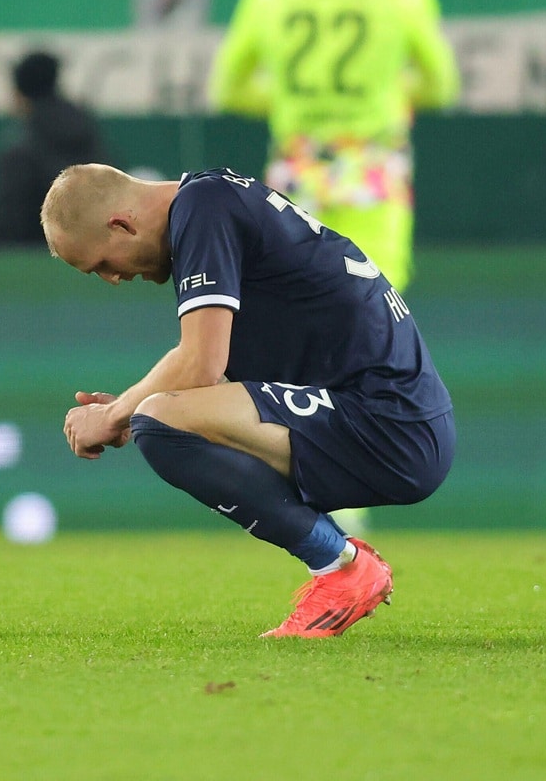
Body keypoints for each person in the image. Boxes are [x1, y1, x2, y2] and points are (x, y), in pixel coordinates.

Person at [41, 163, 455, 639]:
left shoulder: (201, 209)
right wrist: (149, 411)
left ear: (121, 224)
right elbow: (208, 381)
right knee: (161, 419)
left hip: (387, 422)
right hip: (393, 416)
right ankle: (342, 565)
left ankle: (342, 567)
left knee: (158, 419)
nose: (112, 279)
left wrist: (117, 414)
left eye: (102, 265)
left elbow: (200, 363)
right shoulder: (211, 197)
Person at [208, 0, 460, 532]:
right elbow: (442, 84)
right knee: (377, 330)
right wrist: (388, 90)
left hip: (301, 171)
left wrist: (288, 100)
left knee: (294, 330)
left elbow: (228, 87)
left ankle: (294, 485)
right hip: (370, 170)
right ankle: (358, 491)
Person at [0, 51, 108, 247]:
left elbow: (10, 223)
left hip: (34, 260)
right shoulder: (88, 131)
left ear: (19, 94)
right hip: (93, 254)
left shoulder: (19, 148)